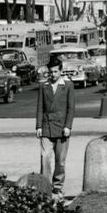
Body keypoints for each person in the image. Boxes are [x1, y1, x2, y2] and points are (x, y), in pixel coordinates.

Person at [36, 57, 75, 198]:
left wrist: (68, 126)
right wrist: (39, 126)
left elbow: (71, 108)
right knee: (44, 157)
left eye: (55, 72)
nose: (52, 75)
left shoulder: (68, 85)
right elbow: (40, 107)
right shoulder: (43, 85)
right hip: (47, 127)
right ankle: (45, 186)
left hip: (62, 129)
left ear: (61, 71)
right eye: (50, 72)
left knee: (60, 161)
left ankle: (57, 186)